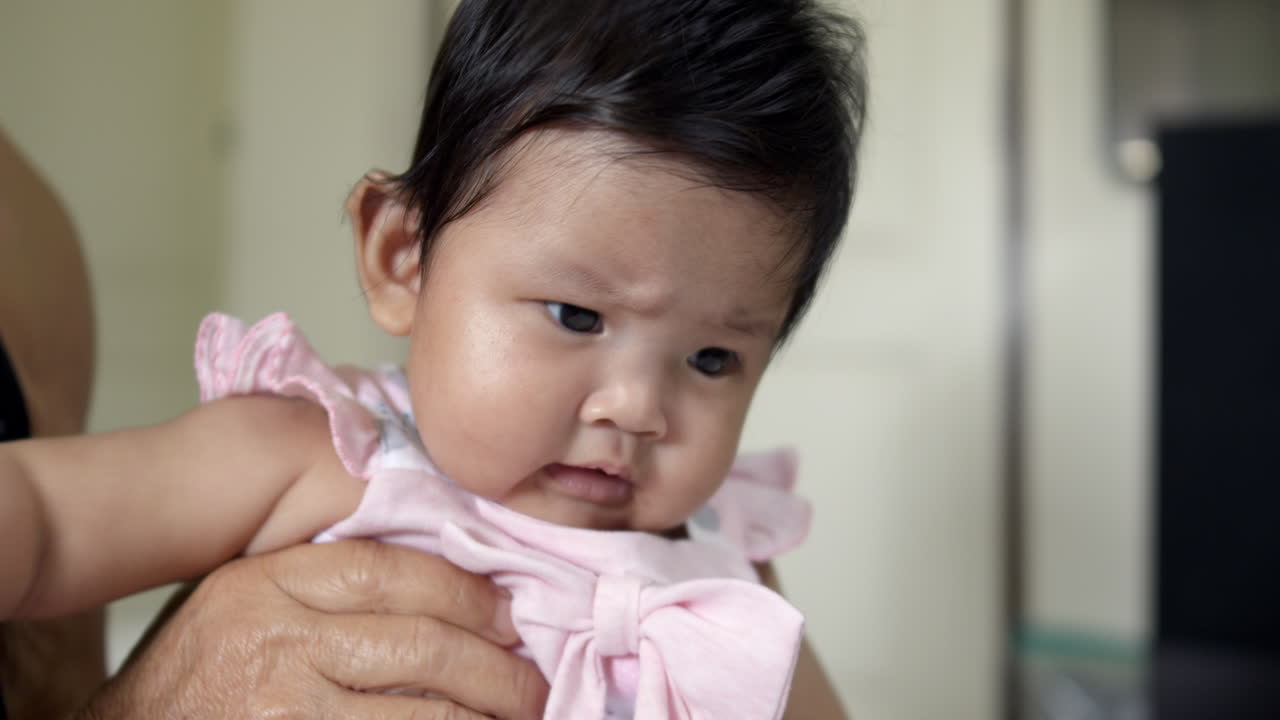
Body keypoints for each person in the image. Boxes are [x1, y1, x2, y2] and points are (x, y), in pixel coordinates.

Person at [1, 0, 865, 716]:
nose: (637, 408)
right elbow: (46, 516)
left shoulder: (719, 559)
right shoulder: (325, 453)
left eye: (713, 359)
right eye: (575, 315)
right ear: (402, 255)